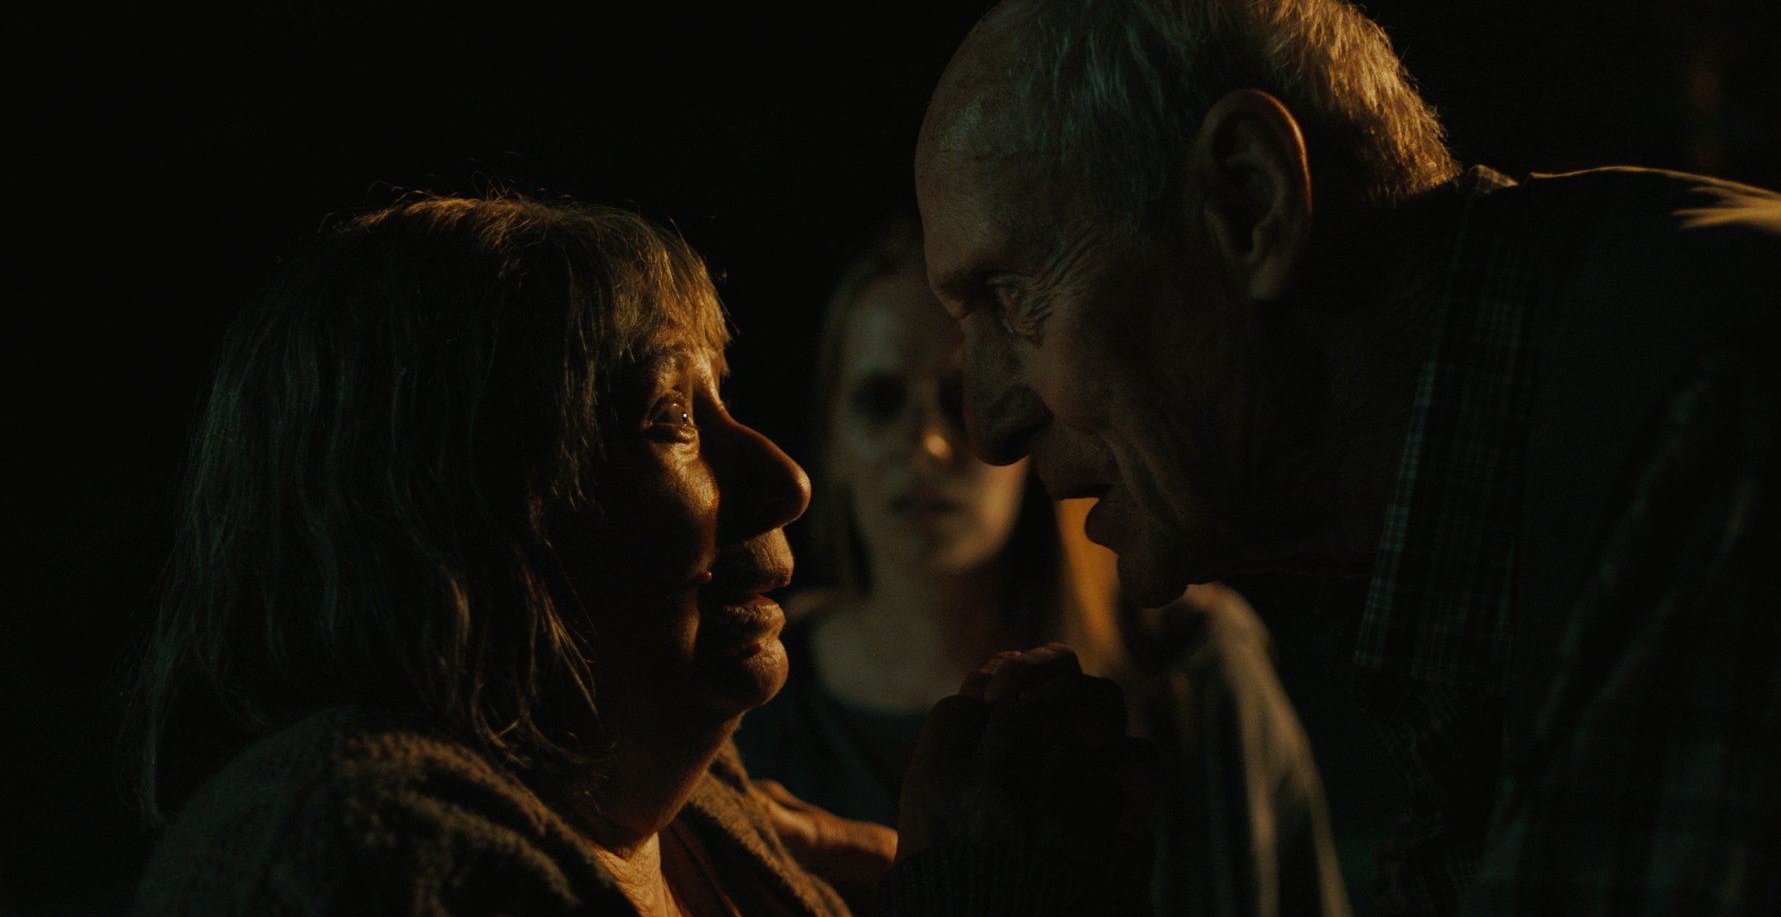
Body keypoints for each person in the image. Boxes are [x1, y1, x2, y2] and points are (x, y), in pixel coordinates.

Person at [913, 0, 1781, 916]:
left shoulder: (1716, 417)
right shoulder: (1578, 407)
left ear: (1248, 202)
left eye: (1013, 301)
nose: (989, 422)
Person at [123, 195, 1138, 916]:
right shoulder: (350, 854)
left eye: (721, 402)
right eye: (668, 420)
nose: (784, 480)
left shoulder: (685, 803)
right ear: (447, 511)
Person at [734, 223, 1347, 917]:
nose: (927, 444)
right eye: (880, 400)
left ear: (1022, 419)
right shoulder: (759, 698)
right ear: (832, 442)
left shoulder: (1188, 665)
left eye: (963, 399)